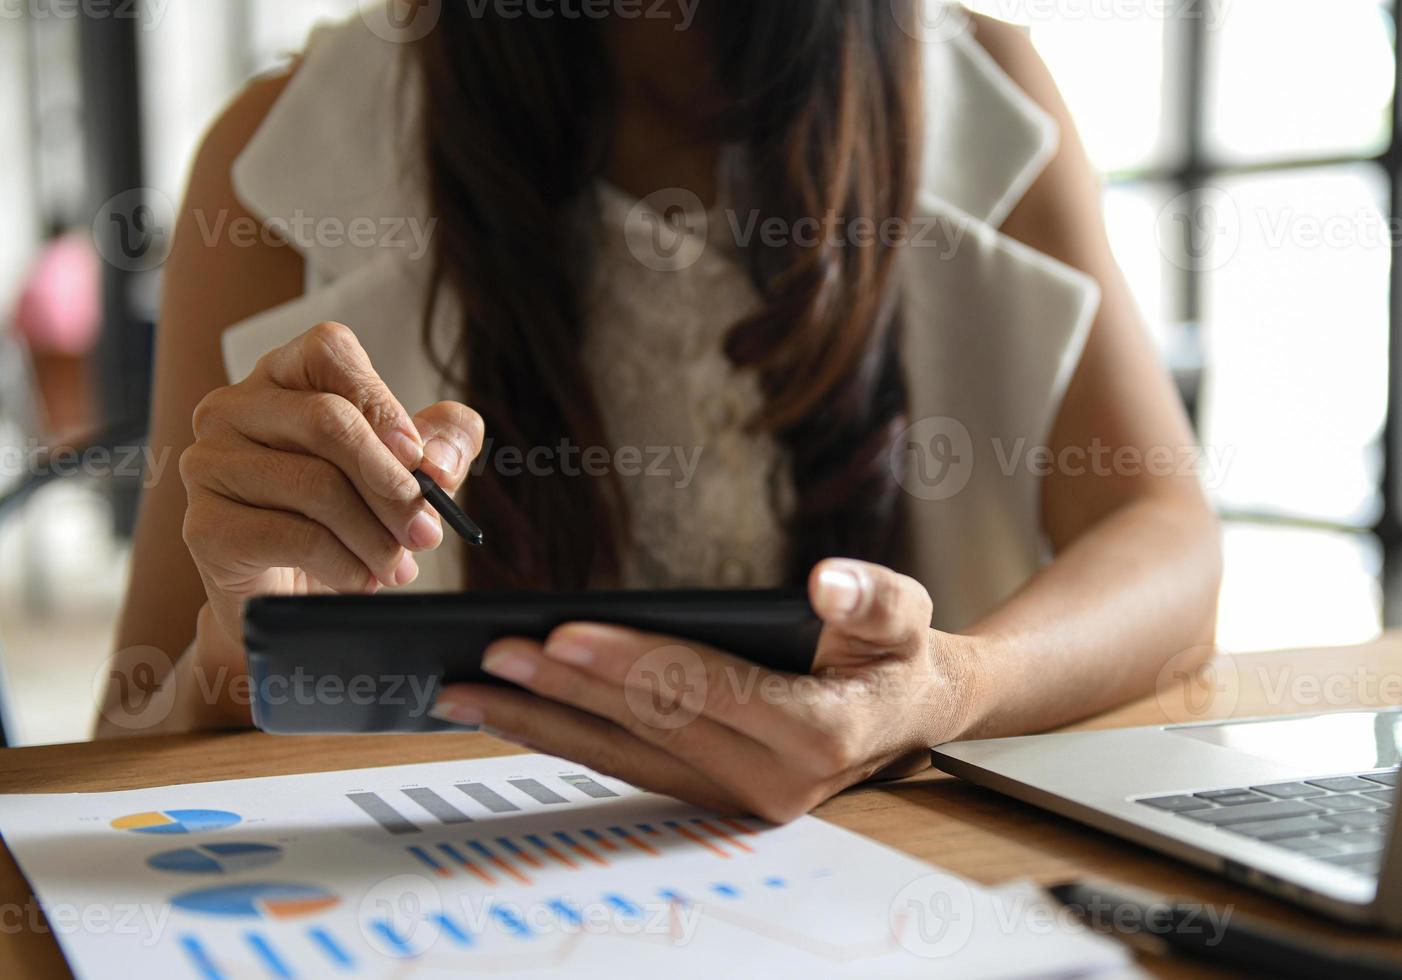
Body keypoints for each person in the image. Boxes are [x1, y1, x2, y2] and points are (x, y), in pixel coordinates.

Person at [100, 1, 1221, 824]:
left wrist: (950, 685)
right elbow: (130, 727)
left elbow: (1171, 549)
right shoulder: (276, 153)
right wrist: (252, 633)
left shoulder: (980, 85)